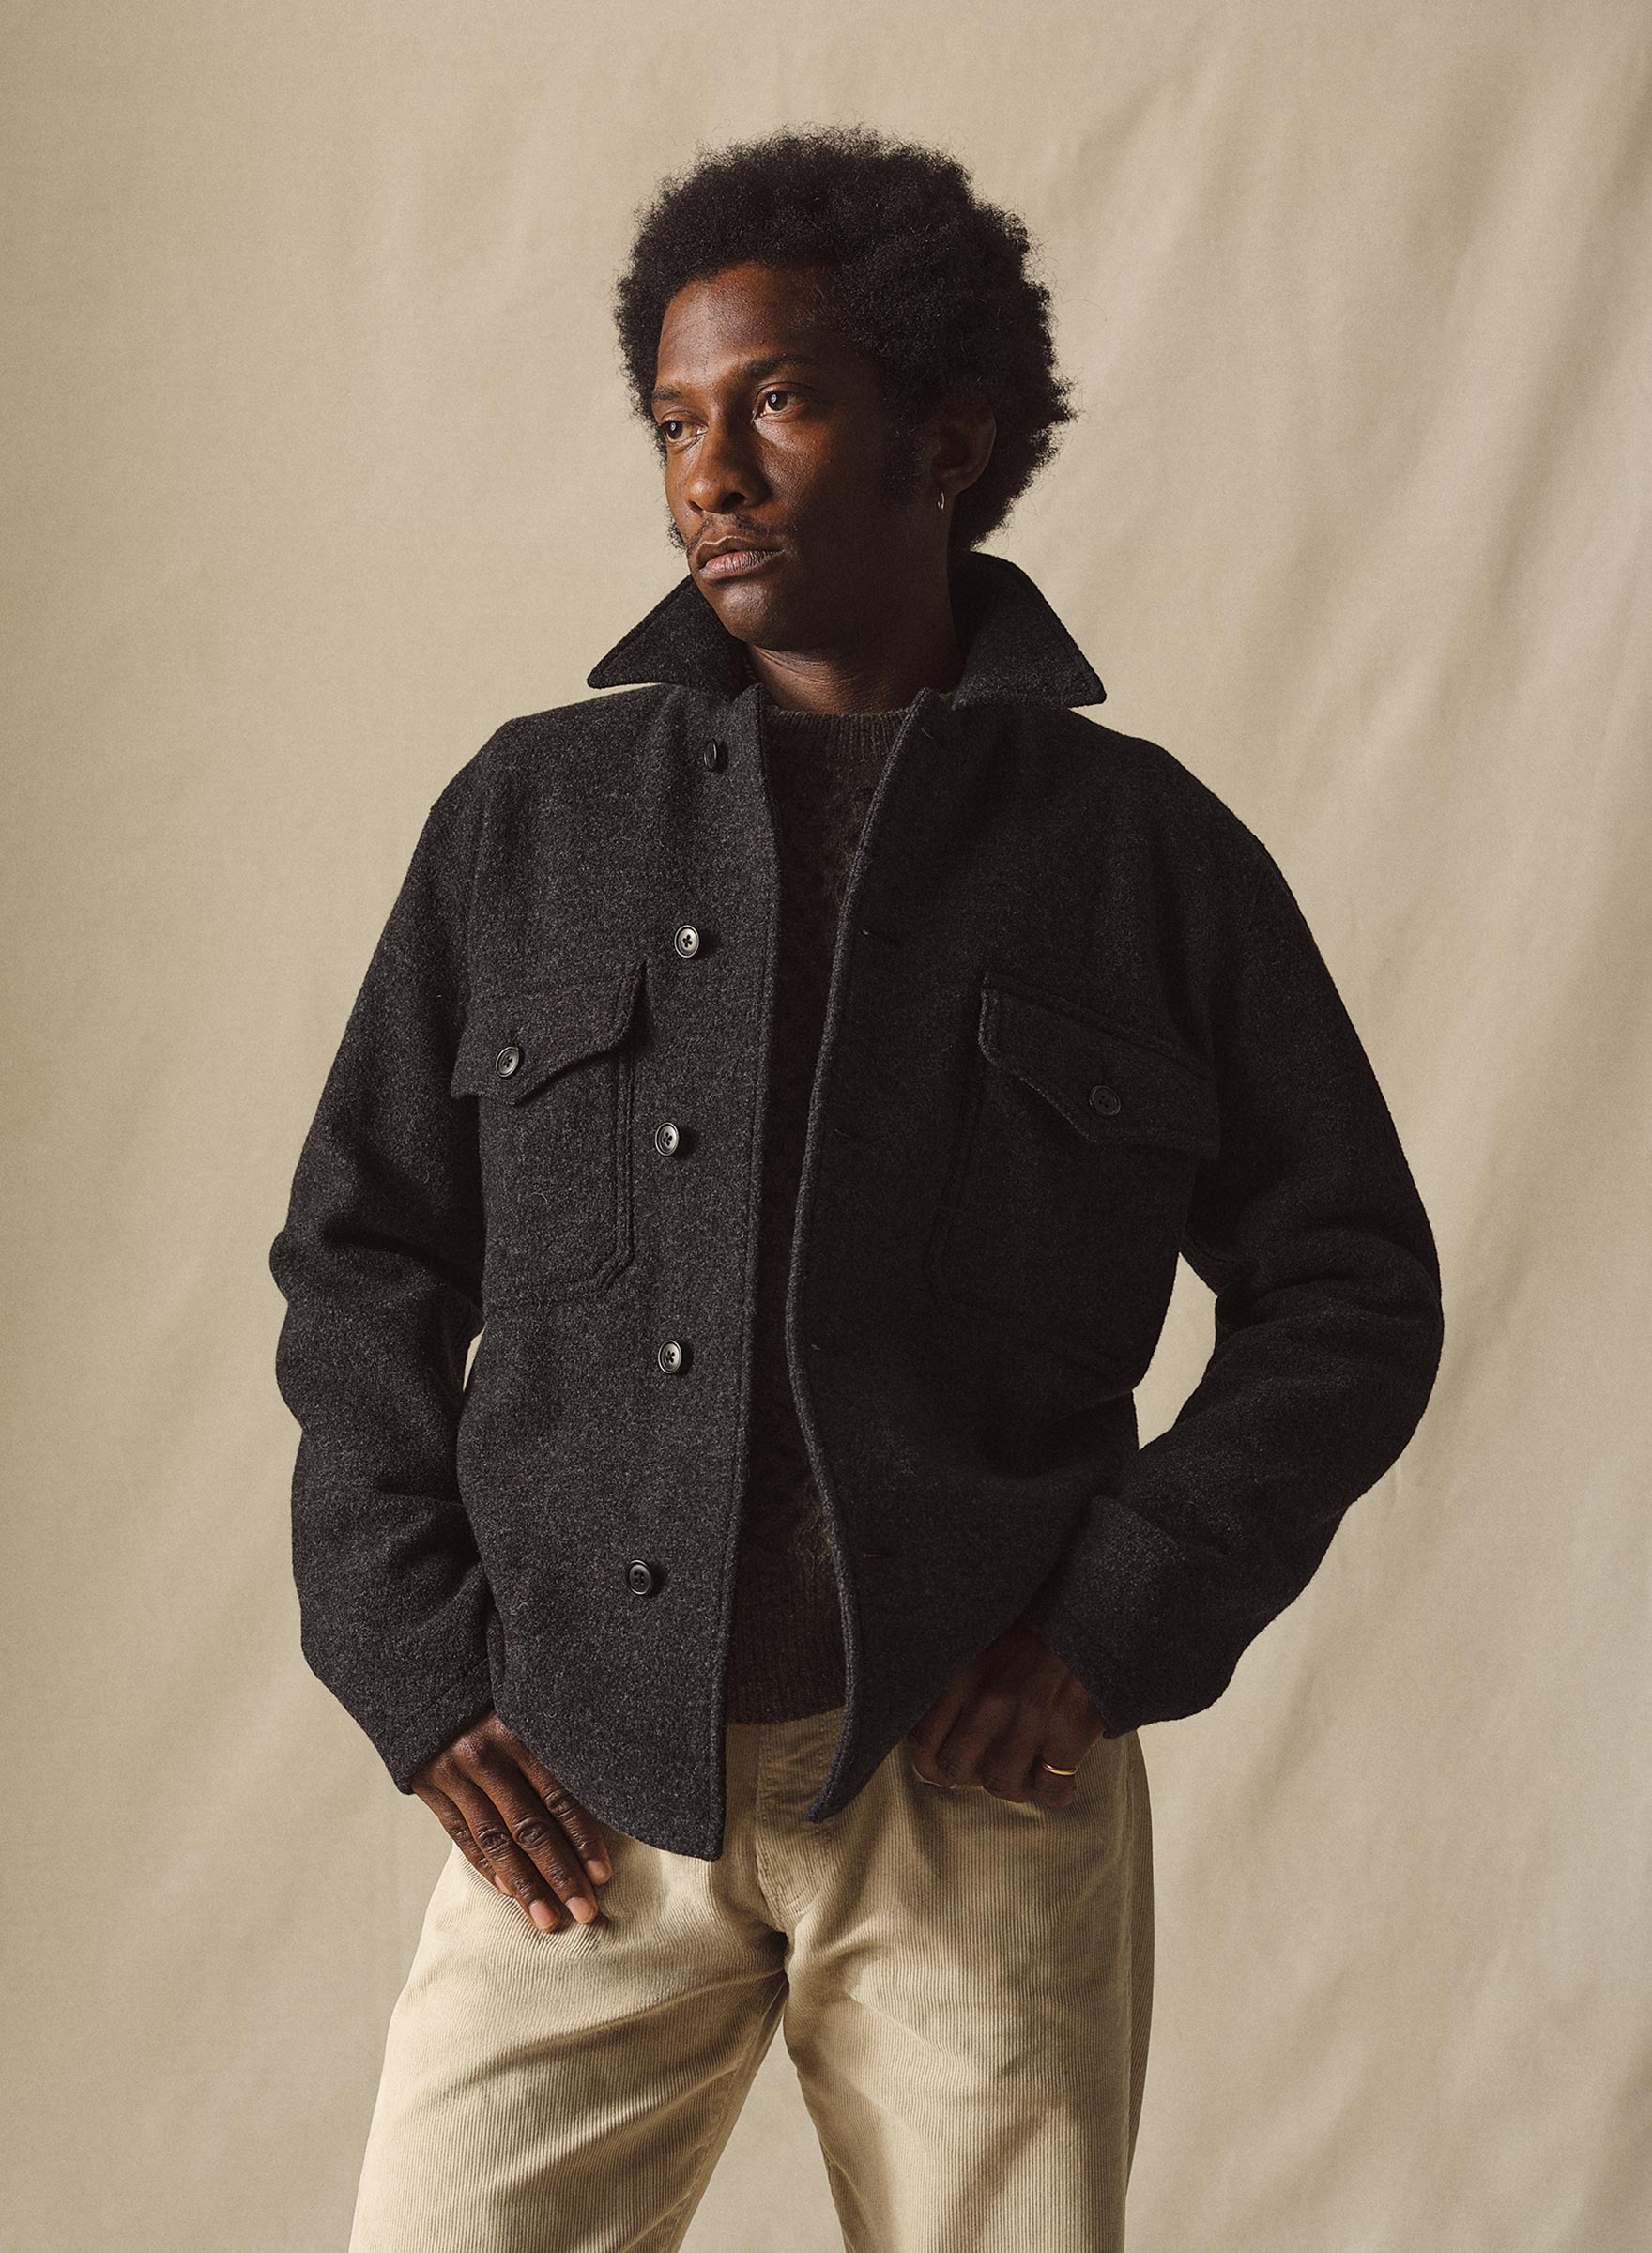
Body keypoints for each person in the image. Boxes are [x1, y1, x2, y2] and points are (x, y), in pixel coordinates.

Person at [268, 123, 1445, 2252]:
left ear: (948, 438)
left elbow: (1351, 1286)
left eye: (780, 403)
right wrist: (416, 1665)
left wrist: (1111, 1624)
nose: (709, 473)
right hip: (580, 1788)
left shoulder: (1139, 854)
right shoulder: (530, 819)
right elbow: (361, 1256)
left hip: (974, 1792)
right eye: (674, 422)